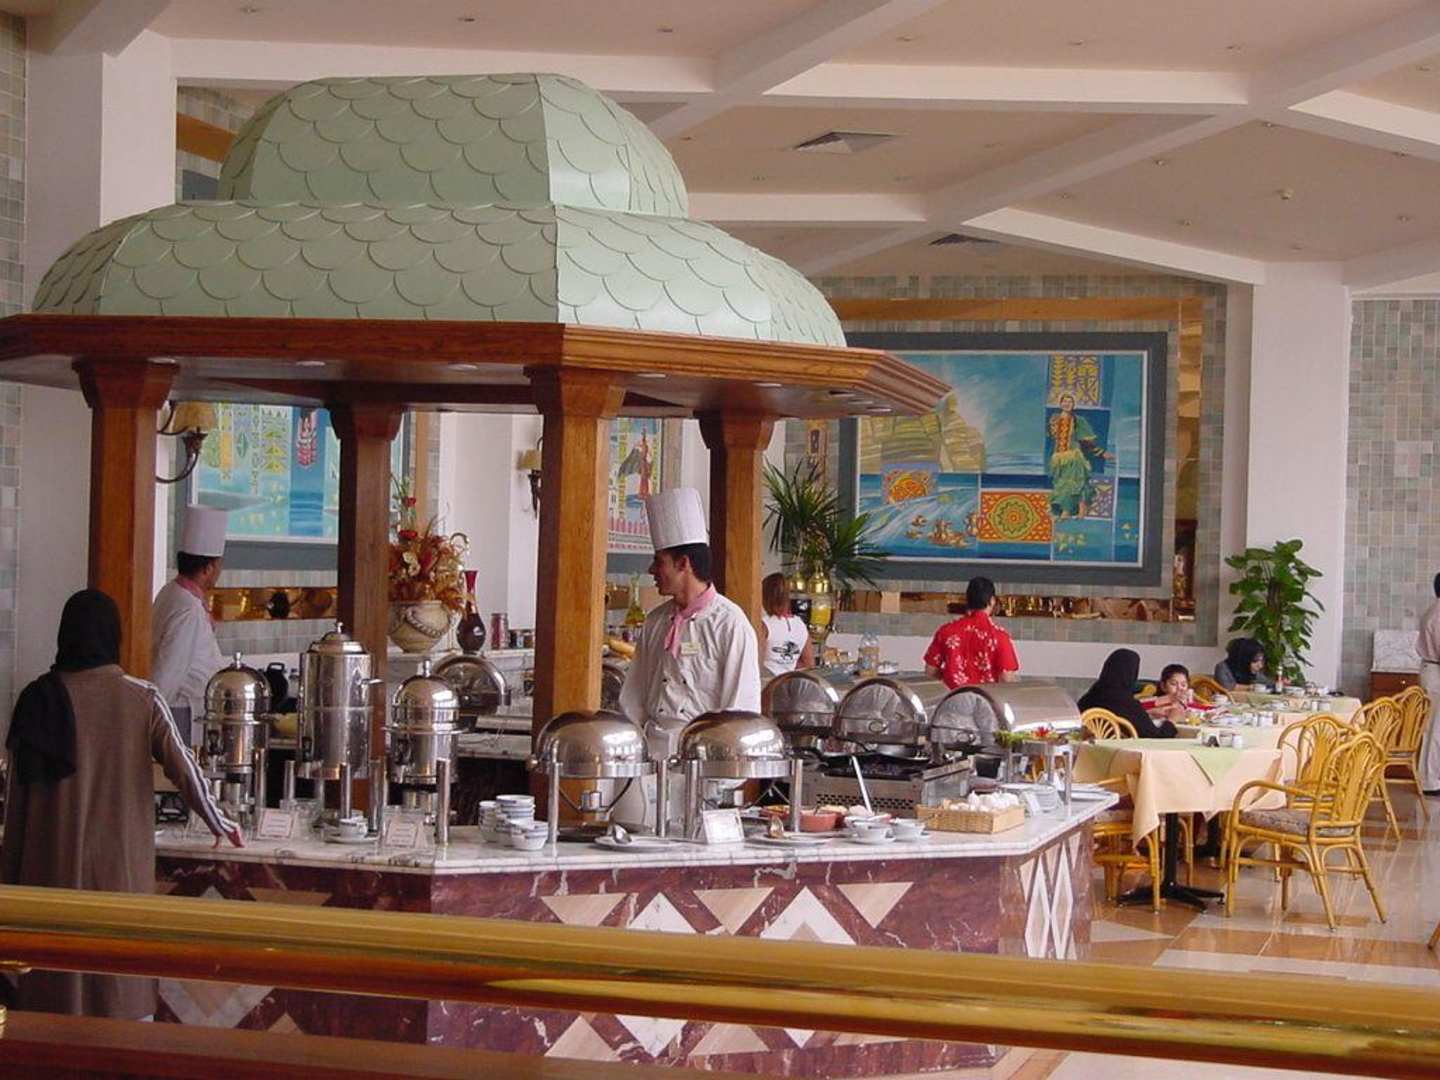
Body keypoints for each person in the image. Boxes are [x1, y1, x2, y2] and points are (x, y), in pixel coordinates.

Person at [1, 589, 242, 1020]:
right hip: (118, 875)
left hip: (47, 874)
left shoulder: (36, 699)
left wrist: (10, 884)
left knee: (50, 1003)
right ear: (114, 636)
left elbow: (14, 805)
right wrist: (220, 822)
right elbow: (185, 770)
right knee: (118, 991)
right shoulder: (142, 697)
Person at [616, 488, 762, 829]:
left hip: (704, 769)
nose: (652, 570)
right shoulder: (656, 621)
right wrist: (629, 760)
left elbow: (742, 710)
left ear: (683, 564)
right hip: (650, 766)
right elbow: (634, 698)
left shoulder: (730, 624)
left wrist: (723, 780)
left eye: (659, 561)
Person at [151, 506, 229, 742]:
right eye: (218, 564)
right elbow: (167, 674)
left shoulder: (171, 592)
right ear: (208, 568)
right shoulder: (189, 610)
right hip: (183, 716)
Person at [923, 576, 1020, 689]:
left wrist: (946, 679)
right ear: (992, 601)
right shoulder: (999, 636)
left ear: (968, 600)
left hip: (953, 697)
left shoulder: (946, 631)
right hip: (986, 698)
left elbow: (930, 672)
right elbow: (1006, 678)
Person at [1078, 648, 1176, 739]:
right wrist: (1172, 720)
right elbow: (1155, 737)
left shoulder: (1088, 698)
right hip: (1119, 751)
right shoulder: (1126, 703)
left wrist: (1148, 713)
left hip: (1089, 749)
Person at [1047, 393, 1110, 520]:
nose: (1067, 404)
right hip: (1058, 458)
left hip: (1074, 457)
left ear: (1073, 405)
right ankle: (1072, 510)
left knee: (1075, 484)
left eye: (1070, 402)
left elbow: (1086, 442)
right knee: (1061, 483)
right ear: (1060, 404)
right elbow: (1052, 437)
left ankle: (1070, 511)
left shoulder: (1078, 420)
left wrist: (1101, 453)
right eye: (1064, 401)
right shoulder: (1054, 419)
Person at [1414, 573, 1440, 795]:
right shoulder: (1438, 614)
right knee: (1434, 729)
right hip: (1435, 672)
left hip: (1432, 670)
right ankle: (1429, 781)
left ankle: (1431, 778)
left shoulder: (1434, 611)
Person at [760, 572, 814, 678]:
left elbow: (756, 660)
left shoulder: (764, 624)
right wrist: (787, 667)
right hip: (788, 681)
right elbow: (809, 663)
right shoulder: (800, 624)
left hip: (767, 682)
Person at [1143, 663, 1212, 724]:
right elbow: (1139, 708)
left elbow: (1207, 709)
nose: (1180, 688)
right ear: (1163, 686)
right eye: (1173, 684)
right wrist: (1168, 699)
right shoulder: (1157, 703)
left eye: (1183, 685)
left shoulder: (1187, 705)